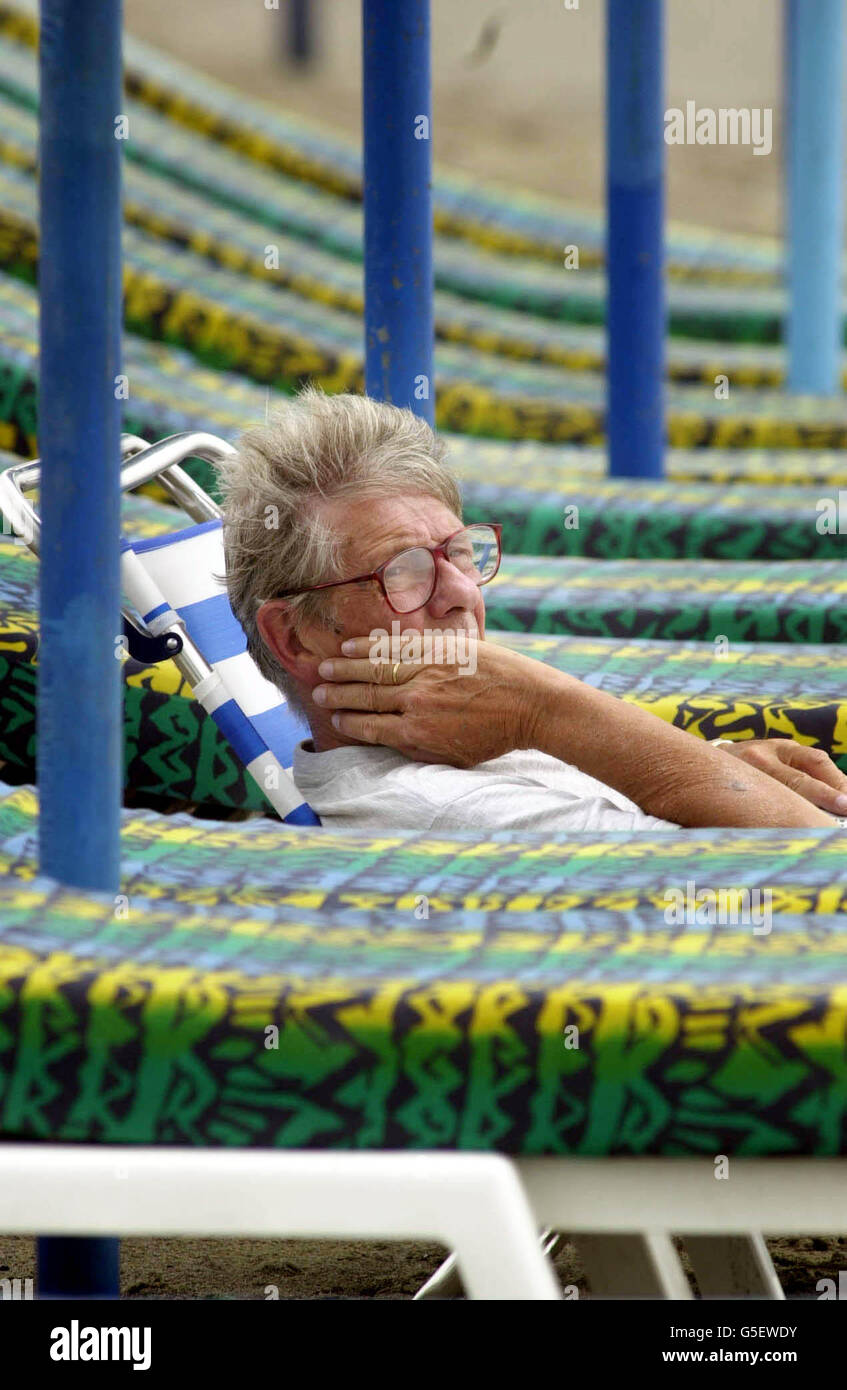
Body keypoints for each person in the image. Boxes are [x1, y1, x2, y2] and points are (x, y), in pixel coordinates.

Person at [217, 388, 846, 833]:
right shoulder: (439, 811)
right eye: (403, 572)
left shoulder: (468, 745)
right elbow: (812, 865)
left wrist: (714, 767)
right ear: (295, 639)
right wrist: (543, 708)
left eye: (459, 552)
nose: (460, 592)